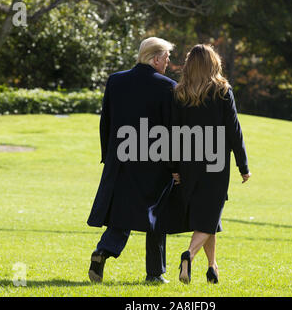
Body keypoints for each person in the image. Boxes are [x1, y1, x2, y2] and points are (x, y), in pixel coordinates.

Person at [158, 44, 251, 284]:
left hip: (189, 163)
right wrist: (243, 165)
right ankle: (188, 255)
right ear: (213, 63)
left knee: (207, 215)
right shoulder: (222, 91)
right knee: (209, 217)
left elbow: (173, 133)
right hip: (216, 163)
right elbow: (234, 131)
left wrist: (174, 167)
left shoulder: (180, 93)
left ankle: (212, 266)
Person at [87, 37, 176, 284]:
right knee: (157, 215)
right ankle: (155, 273)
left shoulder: (116, 81)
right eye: (167, 59)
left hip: (121, 160)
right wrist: (175, 166)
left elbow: (106, 121)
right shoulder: (168, 87)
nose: (168, 64)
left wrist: (108, 155)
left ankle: (103, 250)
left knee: (122, 213)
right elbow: (171, 130)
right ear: (156, 58)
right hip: (154, 163)